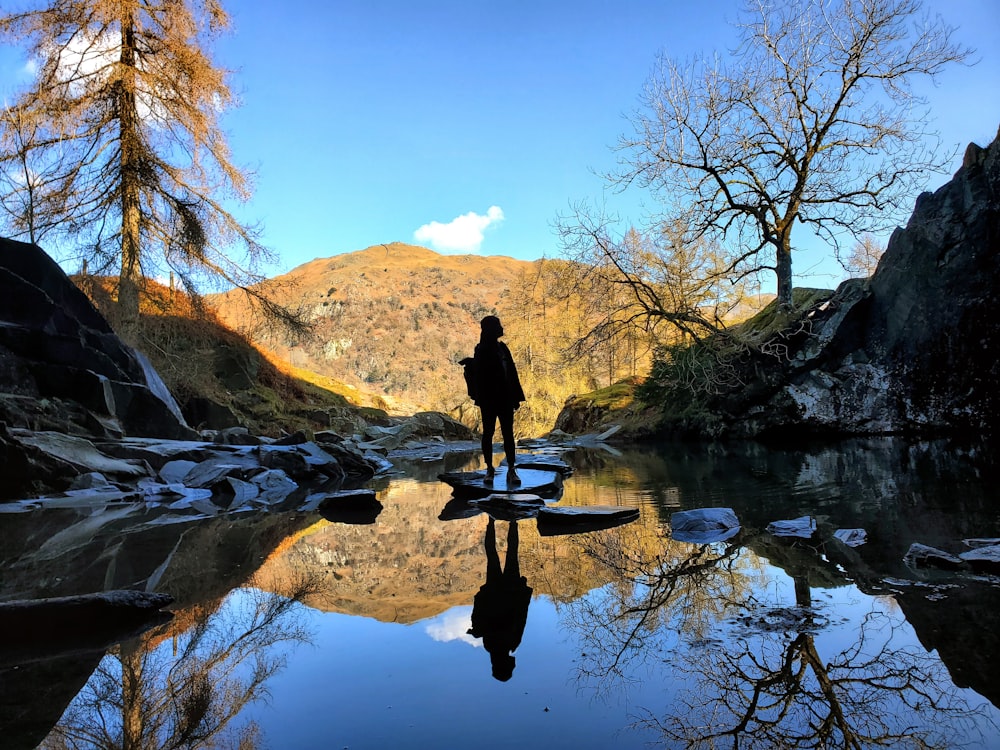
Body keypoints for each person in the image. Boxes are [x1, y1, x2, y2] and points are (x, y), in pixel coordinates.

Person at [467, 518, 532, 681]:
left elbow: (521, 615)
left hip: (509, 590)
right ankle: (491, 521)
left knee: (511, 553)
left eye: (511, 667)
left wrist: (524, 593)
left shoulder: (512, 643)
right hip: (495, 590)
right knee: (492, 554)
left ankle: (512, 522)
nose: (514, 664)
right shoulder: (489, 644)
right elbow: (480, 616)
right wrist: (481, 598)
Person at [472, 315, 525, 482]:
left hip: (504, 398)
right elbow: (480, 376)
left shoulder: (502, 348)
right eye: (497, 326)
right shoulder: (481, 350)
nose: (501, 328)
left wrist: (516, 397)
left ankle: (510, 469)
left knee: (507, 434)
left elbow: (511, 374)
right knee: (488, 434)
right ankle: (490, 469)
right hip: (490, 399)